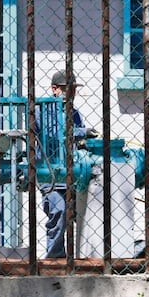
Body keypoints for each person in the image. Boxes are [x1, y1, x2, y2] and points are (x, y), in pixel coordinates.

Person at [37, 70, 88, 258]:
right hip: (50, 171)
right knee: (58, 210)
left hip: (72, 171)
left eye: (73, 89)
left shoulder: (74, 113)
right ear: (55, 89)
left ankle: (79, 256)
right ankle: (55, 257)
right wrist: (79, 133)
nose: (71, 93)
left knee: (78, 212)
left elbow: (78, 139)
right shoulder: (42, 110)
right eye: (68, 89)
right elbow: (48, 137)